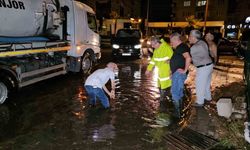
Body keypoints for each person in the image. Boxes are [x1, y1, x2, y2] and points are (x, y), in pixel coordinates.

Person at [145, 36, 173, 110]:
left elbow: (174, 60)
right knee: (161, 87)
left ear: (157, 42)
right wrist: (148, 69)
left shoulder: (167, 48)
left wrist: (171, 71)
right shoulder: (156, 49)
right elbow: (153, 60)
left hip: (167, 72)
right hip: (161, 72)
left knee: (167, 88)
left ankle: (165, 105)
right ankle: (164, 102)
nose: (152, 46)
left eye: (153, 44)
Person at [188, 30, 213, 107]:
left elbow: (188, 58)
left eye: (189, 36)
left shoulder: (195, 47)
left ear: (193, 37)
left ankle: (200, 102)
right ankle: (208, 98)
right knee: (206, 84)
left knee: (199, 85)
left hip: (203, 68)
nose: (188, 38)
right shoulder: (202, 42)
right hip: (209, 65)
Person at [169, 33, 192, 118]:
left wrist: (184, 70)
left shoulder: (181, 47)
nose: (171, 43)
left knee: (175, 92)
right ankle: (181, 110)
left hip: (179, 74)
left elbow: (188, 58)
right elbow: (180, 58)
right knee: (178, 92)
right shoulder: (180, 47)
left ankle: (177, 114)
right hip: (177, 73)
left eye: (171, 41)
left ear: (176, 39)